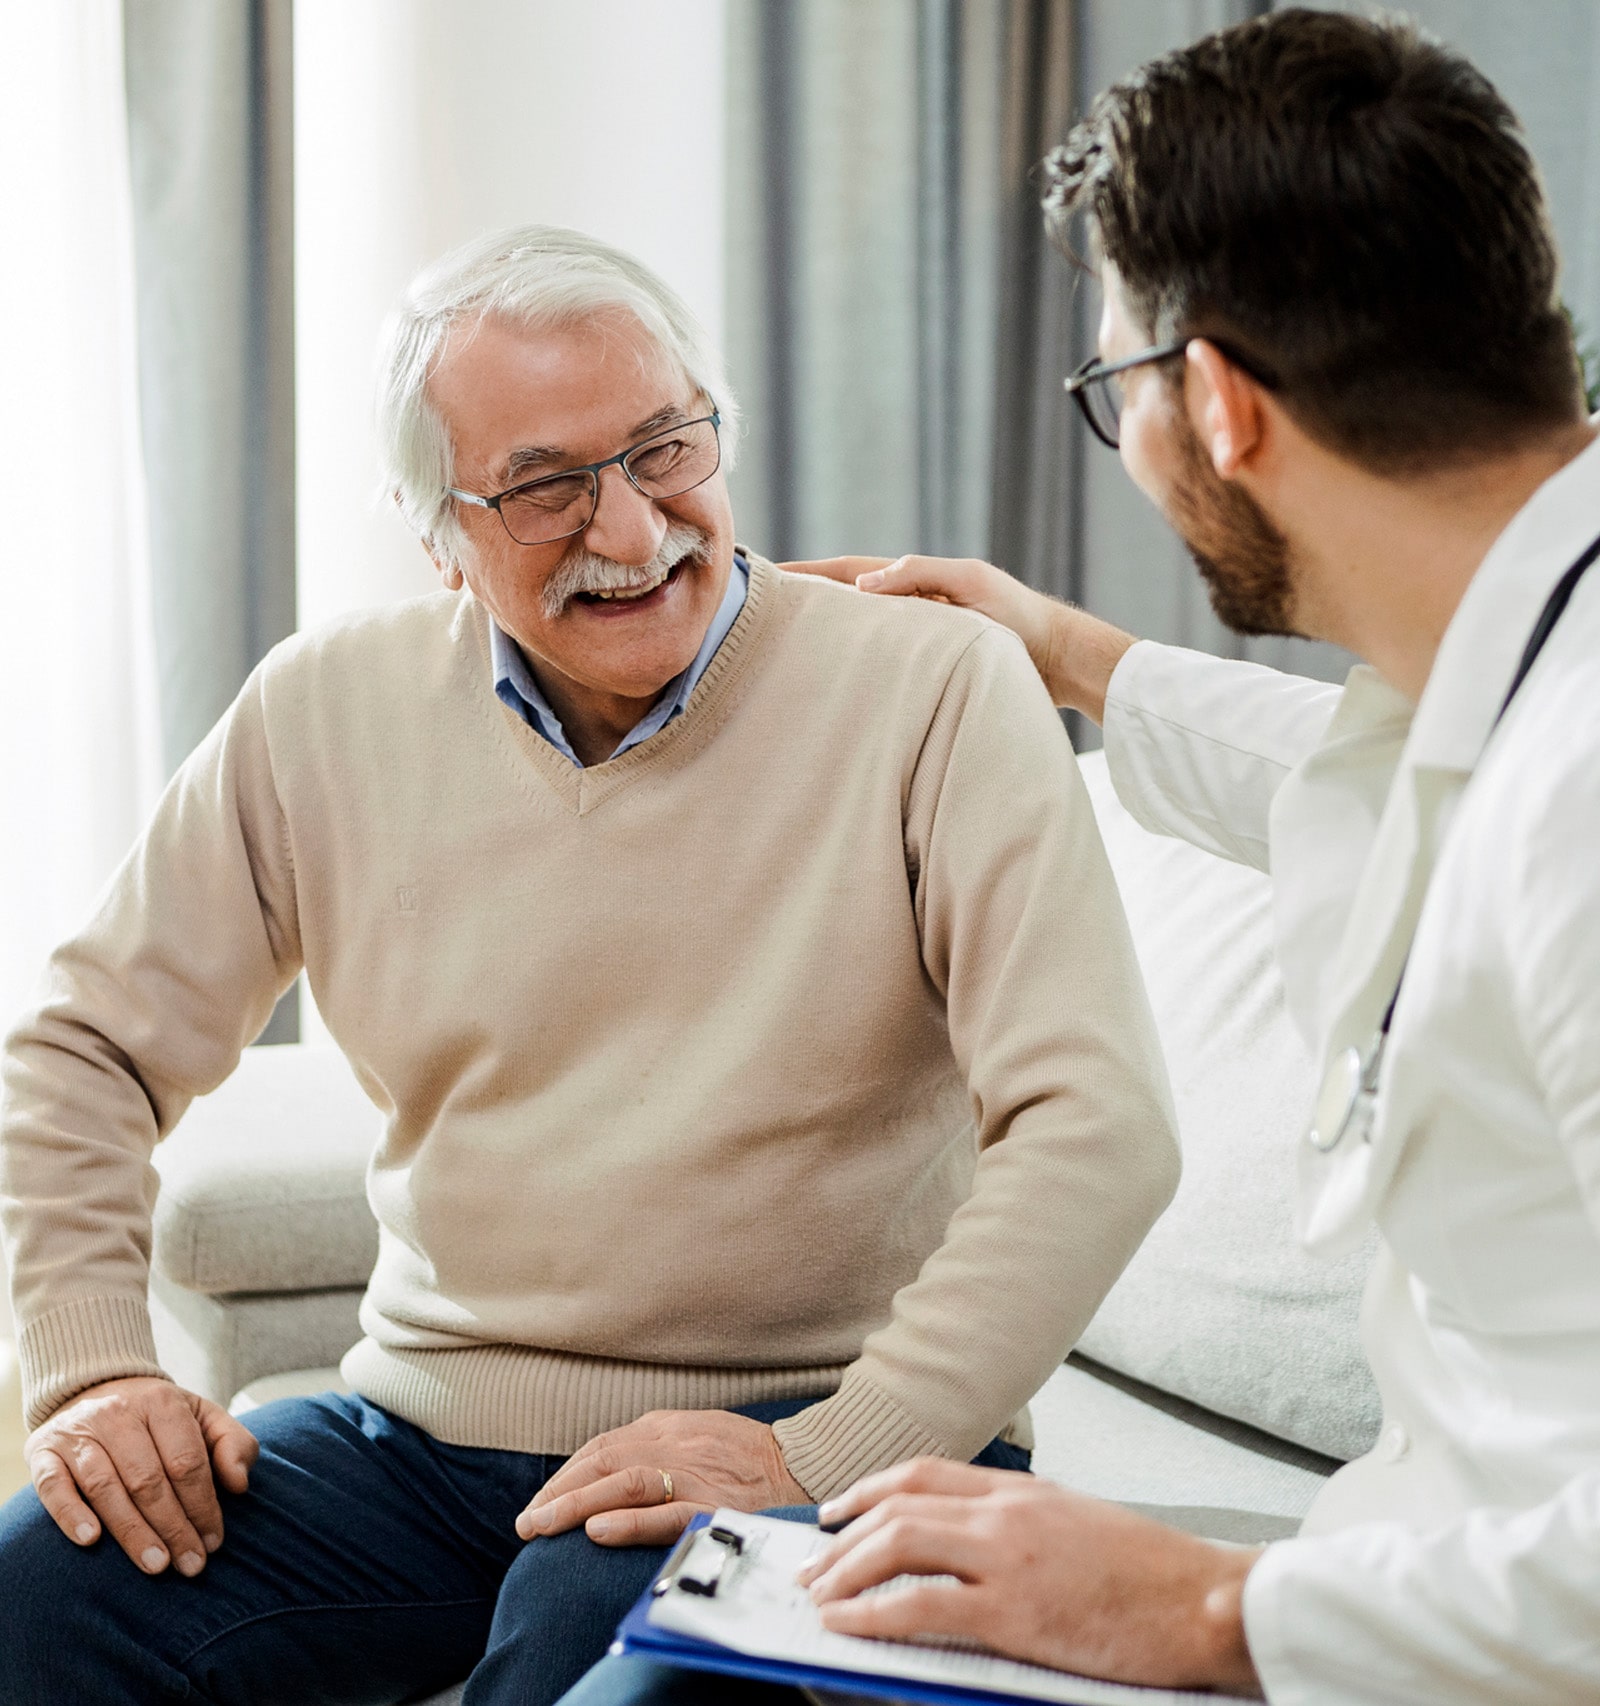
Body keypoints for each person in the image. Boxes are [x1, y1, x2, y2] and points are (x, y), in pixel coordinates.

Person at [559, 9, 1600, 1705]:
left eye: (1120, 388)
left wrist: (1207, 1611)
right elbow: (1380, 783)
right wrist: (1069, 652)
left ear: (1218, 404)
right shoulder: (1516, 678)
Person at [0, 227, 1179, 1705]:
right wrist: (96, 1360)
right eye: (548, 488)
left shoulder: (938, 690)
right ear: (438, 532)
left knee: (604, 1653)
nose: (632, 529)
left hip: (821, 1444)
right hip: (420, 1444)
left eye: (667, 449)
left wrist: (820, 1447)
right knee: (40, 1583)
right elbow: (83, 1045)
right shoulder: (324, 708)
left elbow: (1099, 1124)